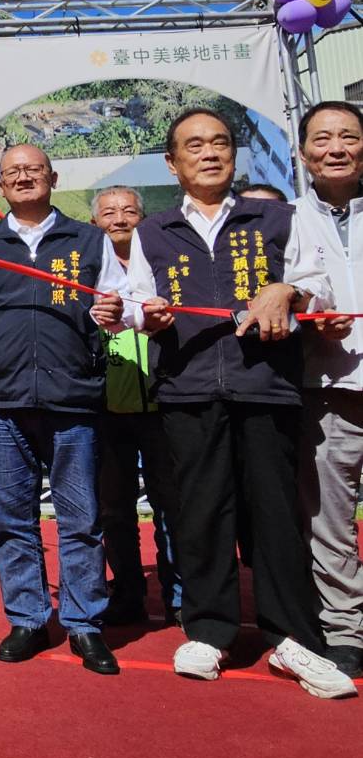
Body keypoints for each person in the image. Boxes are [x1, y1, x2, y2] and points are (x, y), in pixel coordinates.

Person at [128, 107, 356, 699]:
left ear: (234, 154)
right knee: (202, 512)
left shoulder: (276, 217)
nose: (210, 154)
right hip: (187, 388)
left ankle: (294, 636)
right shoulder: (153, 232)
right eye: (195, 146)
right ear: (172, 163)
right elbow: (134, 301)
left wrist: (286, 290)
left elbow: (317, 284)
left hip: (266, 386)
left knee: (276, 513)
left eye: (220, 143)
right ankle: (209, 630)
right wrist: (146, 316)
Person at [0, 144, 126, 675]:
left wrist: (113, 311)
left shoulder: (88, 240)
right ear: (0, 185)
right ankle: (27, 619)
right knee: (11, 518)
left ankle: (85, 624)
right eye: (12, 172)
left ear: (52, 178)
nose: (23, 177)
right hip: (3, 401)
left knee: (81, 519)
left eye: (33, 170)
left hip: (73, 399)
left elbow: (122, 308)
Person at [291, 100, 363, 680]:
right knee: (329, 520)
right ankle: (344, 630)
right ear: (303, 152)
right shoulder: (286, 220)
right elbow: (277, 297)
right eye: (322, 138)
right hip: (327, 387)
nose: (336, 148)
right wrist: (309, 318)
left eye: (349, 136)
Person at [89, 186, 181, 628]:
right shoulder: (85, 272)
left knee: (172, 505)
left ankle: (179, 595)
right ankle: (127, 593)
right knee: (113, 509)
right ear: (95, 224)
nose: (119, 219)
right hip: (106, 409)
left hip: (165, 404)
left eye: (129, 211)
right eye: (109, 213)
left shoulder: (164, 265)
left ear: (144, 220)